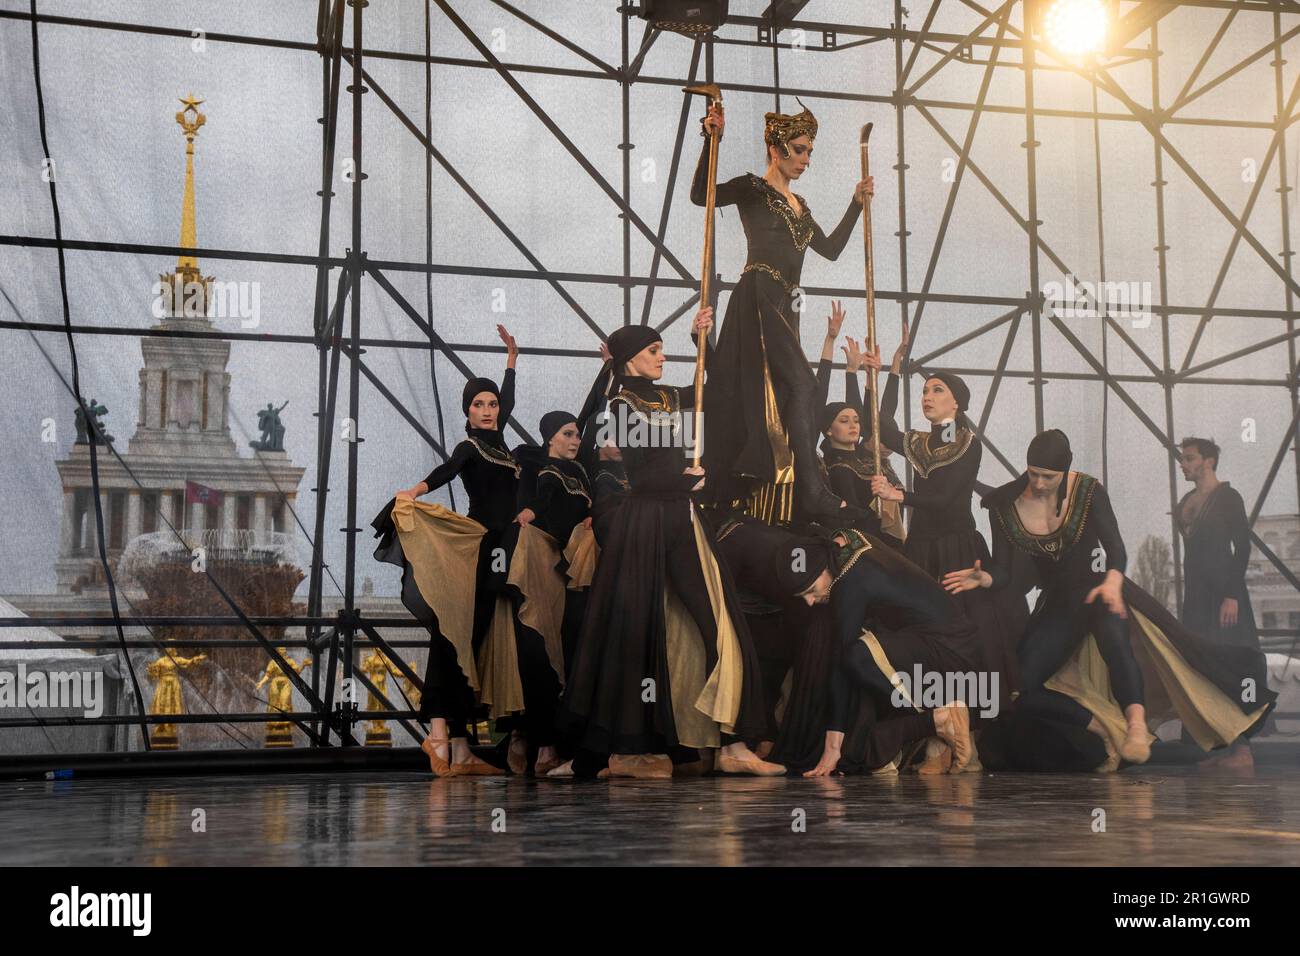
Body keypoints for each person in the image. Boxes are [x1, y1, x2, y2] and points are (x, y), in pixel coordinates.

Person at [945, 429, 1276, 770]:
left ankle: (1135, 726)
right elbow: (1007, 571)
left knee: (1119, 643)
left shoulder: (1087, 491)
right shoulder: (1004, 507)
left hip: (1102, 586)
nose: (1040, 483)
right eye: (1034, 474)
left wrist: (1113, 583)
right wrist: (986, 577)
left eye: (1049, 476)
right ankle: (1101, 727)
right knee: (1020, 687)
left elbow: (1115, 549)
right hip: (1059, 601)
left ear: (1065, 471)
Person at [558, 311, 784, 778]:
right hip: (647, 521)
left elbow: (716, 393)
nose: (662, 358)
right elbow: (640, 474)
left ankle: (732, 742)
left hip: (679, 516)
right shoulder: (619, 408)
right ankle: (619, 751)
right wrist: (687, 482)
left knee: (716, 618)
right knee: (635, 632)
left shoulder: (666, 397)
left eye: (663, 349)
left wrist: (702, 341)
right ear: (628, 361)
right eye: (653, 351)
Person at [694, 99, 873, 525]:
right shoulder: (753, 188)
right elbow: (702, 195)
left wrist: (856, 204)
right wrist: (709, 138)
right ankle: (811, 490)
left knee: (790, 393)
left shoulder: (802, 207)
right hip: (757, 294)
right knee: (806, 387)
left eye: (810, 151)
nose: (806, 159)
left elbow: (829, 250)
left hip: (786, 304)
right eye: (799, 149)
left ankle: (788, 481)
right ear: (776, 149)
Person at [710, 514, 979, 777]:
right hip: (925, 637)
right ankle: (935, 725)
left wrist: (832, 747)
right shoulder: (838, 545)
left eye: (812, 590)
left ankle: (938, 719)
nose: (810, 602)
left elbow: (841, 660)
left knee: (855, 656)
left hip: (946, 647)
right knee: (855, 657)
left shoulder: (853, 581)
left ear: (826, 570)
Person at [371, 326, 522, 777]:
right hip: (478, 547)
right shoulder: (470, 446)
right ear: (467, 413)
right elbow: (446, 470)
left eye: (492, 404)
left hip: (504, 549)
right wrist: (413, 491)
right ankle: (437, 733)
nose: (489, 410)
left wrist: (512, 358)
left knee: (471, 642)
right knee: (453, 634)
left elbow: (507, 398)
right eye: (479, 405)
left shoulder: (502, 444)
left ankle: (459, 748)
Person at [863, 338, 1024, 710]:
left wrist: (899, 495)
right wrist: (886, 374)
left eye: (937, 390)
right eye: (923, 391)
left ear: (957, 402)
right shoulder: (922, 442)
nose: (927, 396)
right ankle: (926, 717)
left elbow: (946, 498)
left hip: (956, 548)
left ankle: (971, 717)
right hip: (920, 548)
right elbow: (881, 427)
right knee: (917, 630)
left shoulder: (967, 443)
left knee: (962, 634)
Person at [498, 411, 597, 777]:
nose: (575, 440)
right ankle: (539, 745)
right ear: (550, 438)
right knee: (542, 651)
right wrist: (528, 511)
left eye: (577, 435)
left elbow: (589, 411)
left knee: (570, 652)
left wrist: (608, 372)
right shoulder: (542, 469)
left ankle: (550, 744)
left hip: (575, 568)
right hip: (545, 565)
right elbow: (539, 498)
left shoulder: (583, 471)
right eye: (567, 434)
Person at [1177, 436, 1260, 772]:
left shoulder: (1229, 497)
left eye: (1190, 458)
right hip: (1196, 596)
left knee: (1232, 664)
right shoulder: (1186, 500)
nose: (1184, 464)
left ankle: (1242, 749)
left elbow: (1241, 549)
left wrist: (1231, 595)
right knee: (1199, 664)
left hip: (1225, 596)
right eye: (1182, 459)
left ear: (1208, 461)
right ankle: (1211, 747)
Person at [814, 301, 906, 548]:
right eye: (844, 422)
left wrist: (886, 367)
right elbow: (853, 515)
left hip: (888, 541)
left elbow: (876, 414)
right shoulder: (839, 467)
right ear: (828, 430)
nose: (853, 425)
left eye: (855, 421)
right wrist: (850, 371)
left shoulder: (867, 459)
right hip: (864, 544)